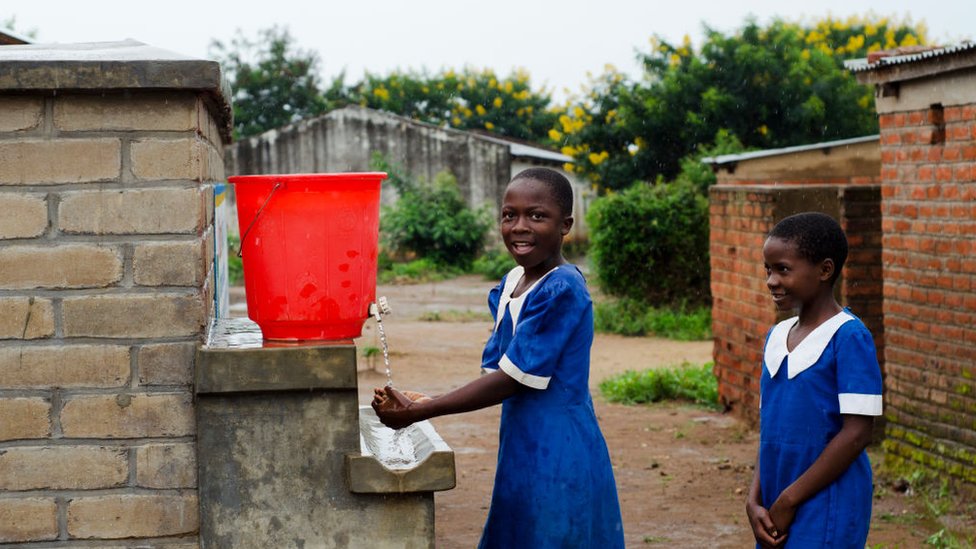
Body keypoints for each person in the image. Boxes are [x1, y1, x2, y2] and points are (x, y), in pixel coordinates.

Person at [372, 167, 625, 548]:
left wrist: (424, 411)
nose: (520, 226)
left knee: (554, 533)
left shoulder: (562, 289)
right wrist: (425, 399)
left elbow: (512, 379)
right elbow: (499, 371)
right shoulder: (513, 282)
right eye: (510, 215)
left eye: (537, 216)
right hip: (521, 444)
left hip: (560, 447)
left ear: (566, 225)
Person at [746, 212, 883, 548]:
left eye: (783, 269)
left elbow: (857, 433)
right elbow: (771, 431)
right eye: (768, 270)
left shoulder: (848, 337)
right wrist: (754, 500)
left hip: (827, 501)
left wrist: (790, 500)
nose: (771, 281)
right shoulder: (776, 337)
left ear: (825, 270)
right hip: (776, 500)